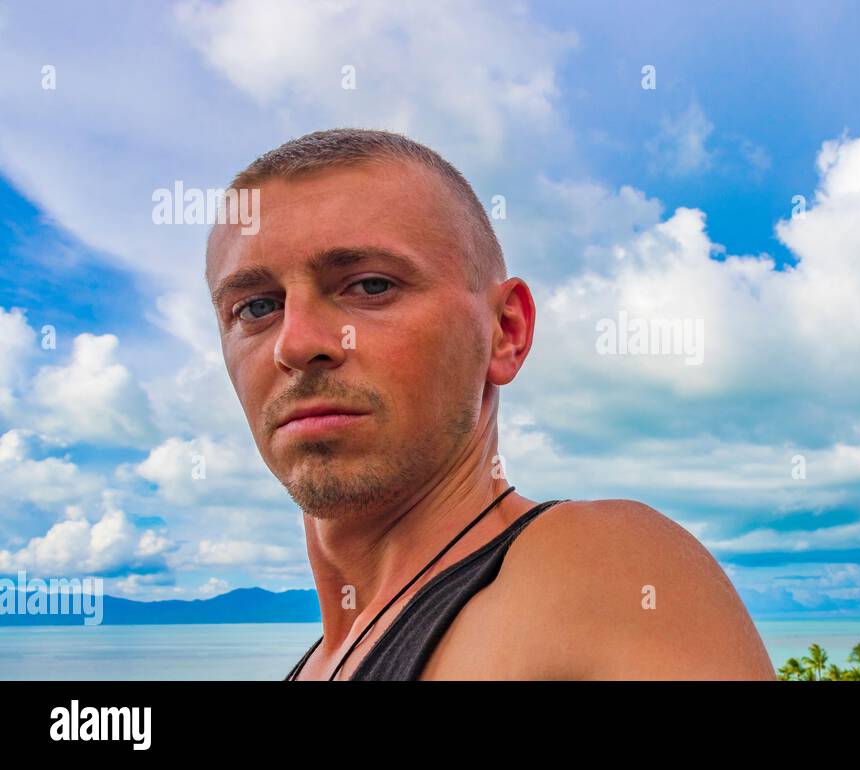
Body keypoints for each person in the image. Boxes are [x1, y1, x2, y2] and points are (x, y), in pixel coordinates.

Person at [204, 129, 775, 680]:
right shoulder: (321, 662)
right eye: (255, 307)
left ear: (505, 331)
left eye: (370, 286)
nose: (297, 344)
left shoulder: (602, 573)